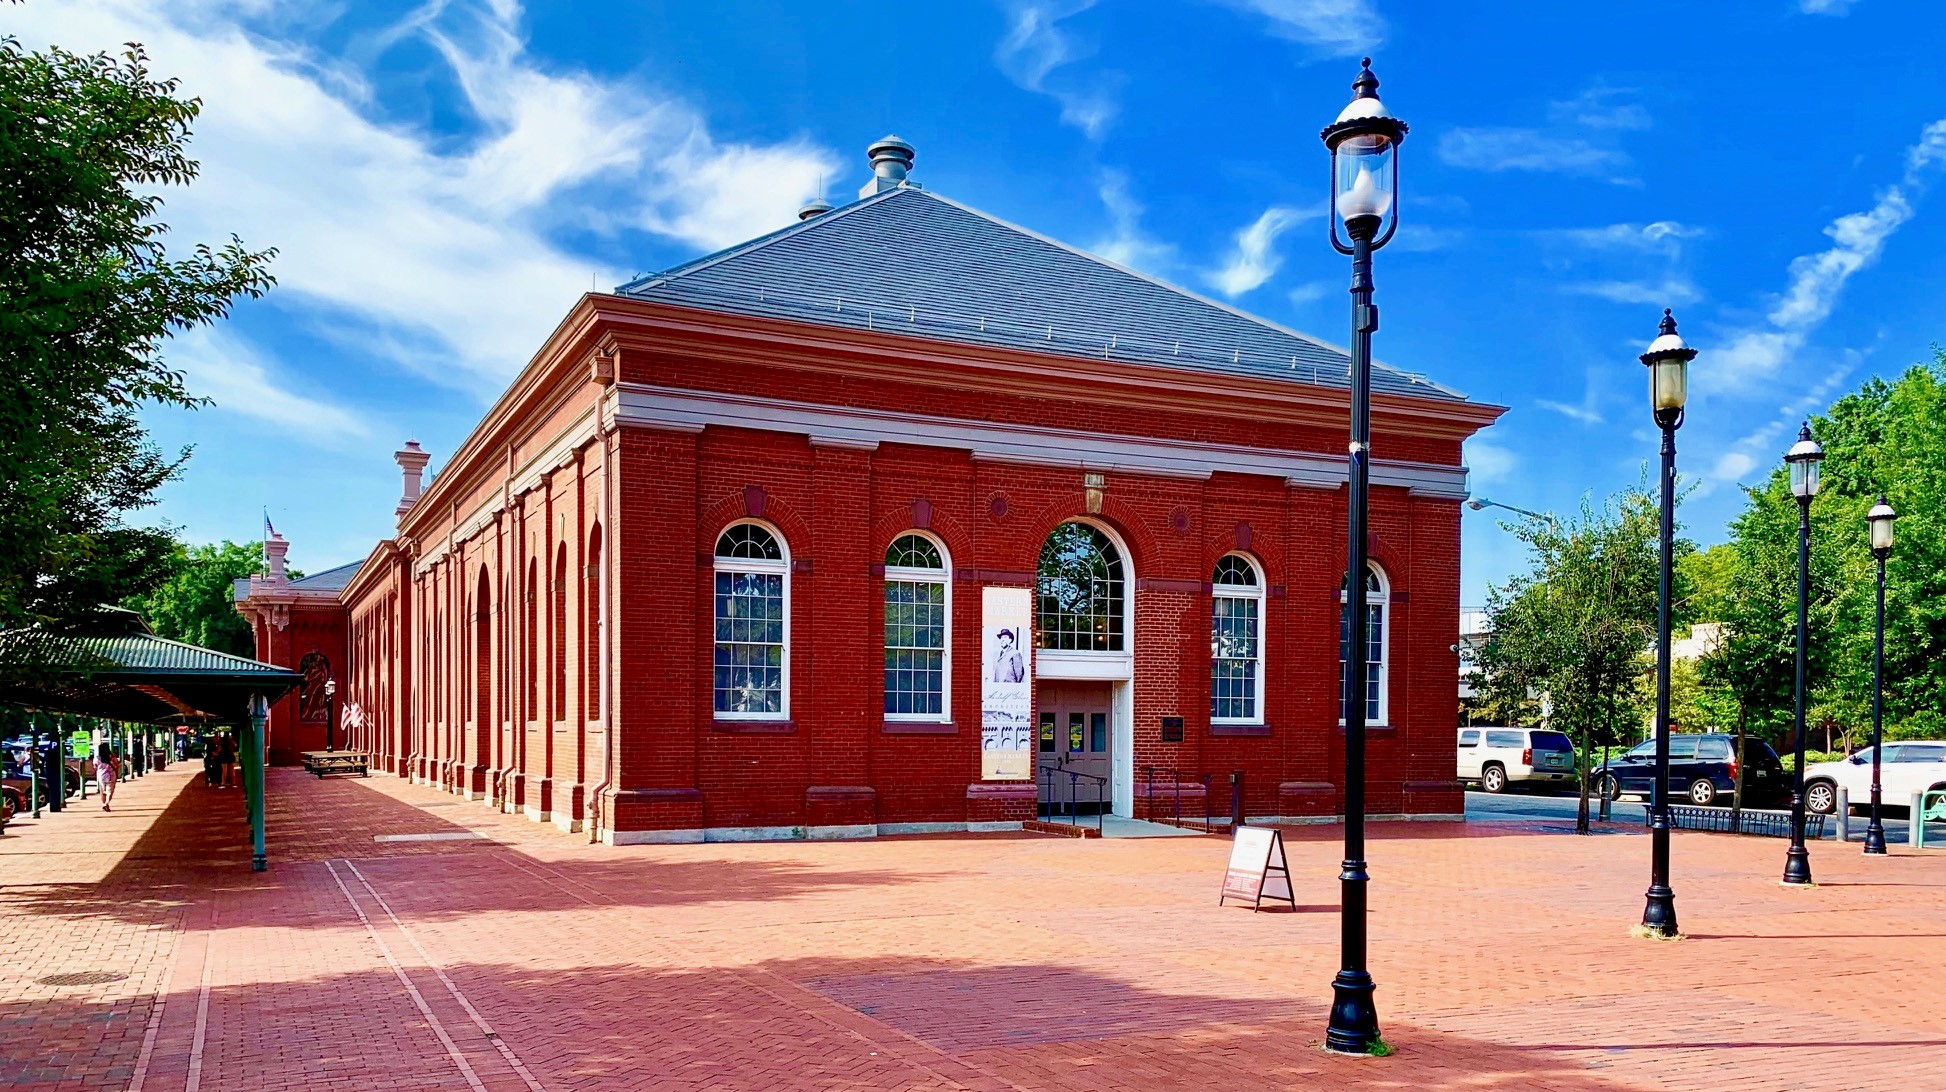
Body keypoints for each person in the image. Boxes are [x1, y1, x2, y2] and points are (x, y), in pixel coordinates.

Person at [95, 741, 119, 812]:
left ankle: (103, 803)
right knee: (110, 791)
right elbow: (116, 763)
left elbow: (95, 766)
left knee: (102, 791)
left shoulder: (97, 758)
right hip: (111, 775)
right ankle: (106, 803)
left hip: (101, 775)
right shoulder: (111, 756)